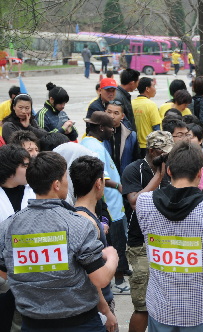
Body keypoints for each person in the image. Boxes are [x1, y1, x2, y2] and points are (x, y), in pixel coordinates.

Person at [0, 151, 118, 331]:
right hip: (80, 323)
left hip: (32, 323)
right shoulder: (77, 224)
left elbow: (4, 272)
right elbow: (100, 279)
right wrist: (112, 256)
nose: (67, 183)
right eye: (65, 178)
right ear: (56, 184)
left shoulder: (9, 226)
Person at [136, 141, 203, 330]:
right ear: (200, 172)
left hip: (161, 308)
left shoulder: (145, 203)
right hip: (202, 310)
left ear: (169, 171)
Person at [121, 131, 174, 332]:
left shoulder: (172, 170)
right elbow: (135, 203)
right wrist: (159, 175)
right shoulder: (134, 170)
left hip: (166, 243)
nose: (168, 158)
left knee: (166, 303)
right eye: (164, 153)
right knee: (142, 306)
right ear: (152, 151)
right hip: (140, 244)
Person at [80, 112, 130, 295]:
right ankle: (117, 280)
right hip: (110, 206)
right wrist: (119, 186)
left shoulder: (89, 142)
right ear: (101, 128)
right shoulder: (95, 148)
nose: (112, 131)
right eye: (111, 128)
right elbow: (101, 178)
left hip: (110, 205)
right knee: (114, 245)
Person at [70, 156, 119, 332]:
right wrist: (106, 311)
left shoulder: (79, 215)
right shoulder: (86, 221)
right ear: (99, 183)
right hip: (97, 305)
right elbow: (91, 276)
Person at [0, 145, 34, 330]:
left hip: (31, 273)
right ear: (10, 168)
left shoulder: (33, 190)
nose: (30, 169)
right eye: (25, 165)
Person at [104, 100, 140, 174]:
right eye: (109, 112)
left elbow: (136, 159)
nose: (112, 116)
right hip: (105, 177)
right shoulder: (99, 134)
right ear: (105, 112)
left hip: (125, 177)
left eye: (116, 113)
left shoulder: (131, 135)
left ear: (122, 116)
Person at [132, 77, 161, 157]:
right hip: (148, 146)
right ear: (147, 89)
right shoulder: (151, 105)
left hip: (134, 145)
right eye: (153, 86)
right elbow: (156, 128)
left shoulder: (131, 103)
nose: (155, 89)